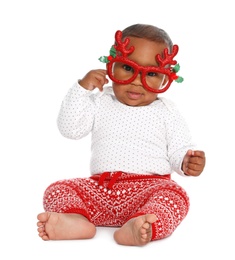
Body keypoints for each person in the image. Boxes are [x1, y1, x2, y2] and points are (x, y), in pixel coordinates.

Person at [37, 23, 206, 246]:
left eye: (151, 74)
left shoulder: (166, 111)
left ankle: (141, 226)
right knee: (58, 189)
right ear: (112, 65)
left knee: (175, 196)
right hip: (101, 189)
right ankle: (77, 220)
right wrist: (82, 89)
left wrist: (186, 161)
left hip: (148, 191)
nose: (137, 81)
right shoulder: (100, 100)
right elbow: (70, 129)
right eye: (128, 68)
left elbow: (178, 147)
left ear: (166, 79)